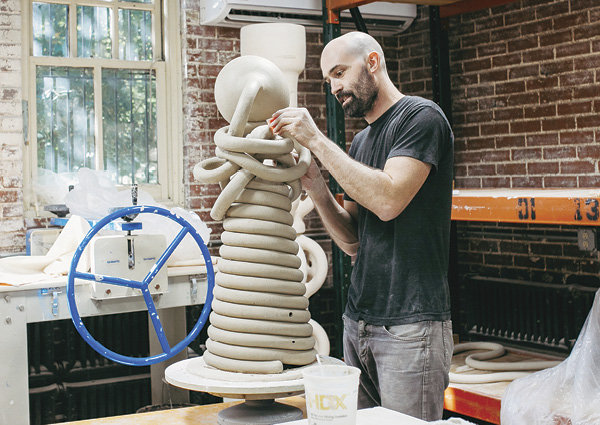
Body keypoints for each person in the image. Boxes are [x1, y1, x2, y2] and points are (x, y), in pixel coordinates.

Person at [268, 31, 454, 421]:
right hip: (359, 324)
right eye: (329, 80)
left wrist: (316, 140)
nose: (335, 87)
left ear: (372, 62)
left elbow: (388, 201)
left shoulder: (421, 118)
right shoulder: (360, 143)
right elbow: (353, 241)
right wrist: (317, 187)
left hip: (410, 326)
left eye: (340, 72)